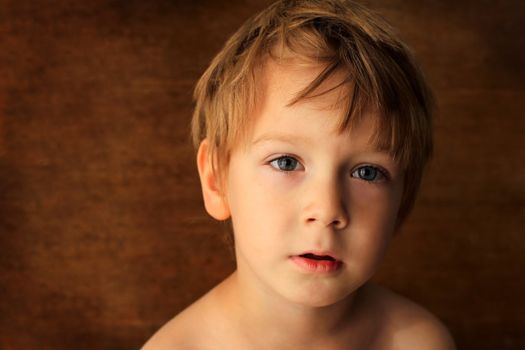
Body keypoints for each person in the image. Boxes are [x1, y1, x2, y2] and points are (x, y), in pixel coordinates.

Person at [142, 0, 456, 348]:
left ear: (403, 202)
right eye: (286, 162)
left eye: (367, 172)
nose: (326, 210)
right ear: (216, 180)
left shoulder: (418, 342)